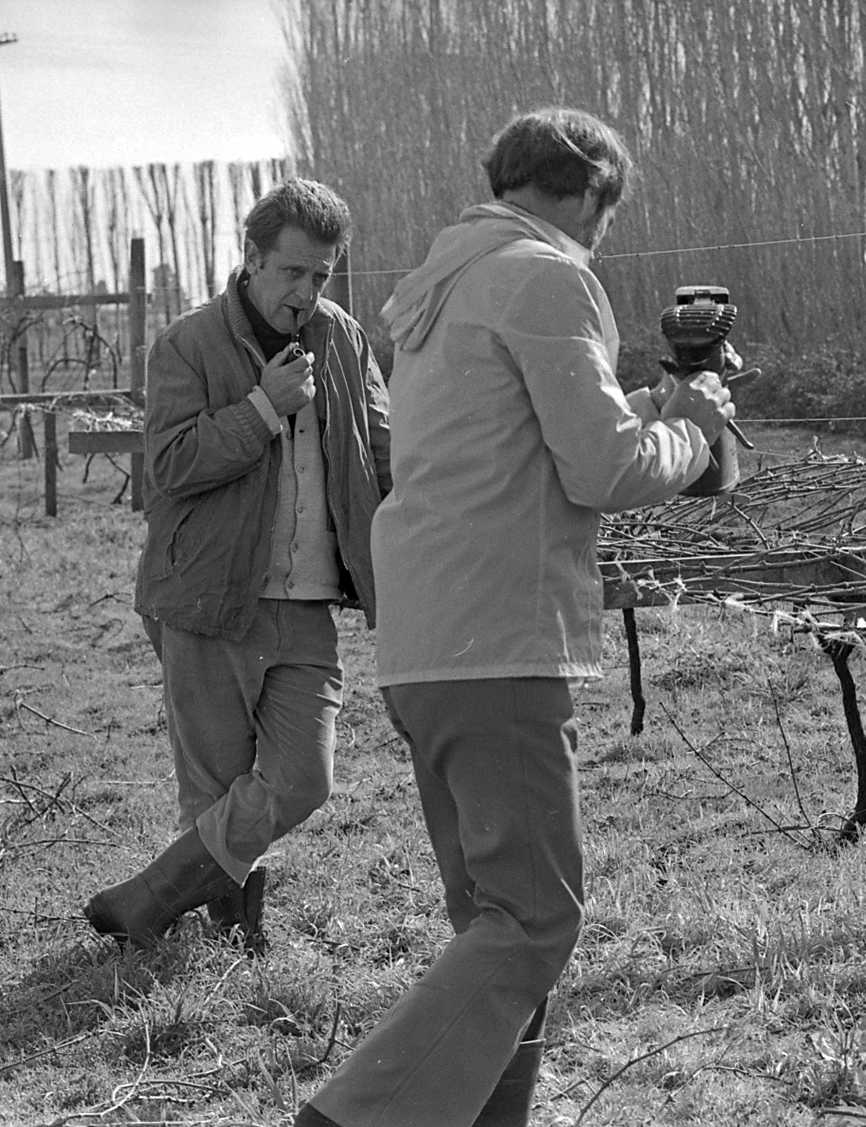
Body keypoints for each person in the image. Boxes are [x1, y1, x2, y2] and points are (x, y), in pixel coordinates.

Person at [295, 109, 733, 1126]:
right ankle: (347, 1119)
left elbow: (519, 436)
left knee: (494, 925)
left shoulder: (446, 279)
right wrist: (692, 434)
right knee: (533, 921)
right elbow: (604, 464)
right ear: (585, 196)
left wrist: (647, 410)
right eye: (603, 218)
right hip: (500, 635)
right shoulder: (547, 272)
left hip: (427, 637)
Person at [85, 178, 392, 953]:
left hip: (309, 600)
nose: (306, 290)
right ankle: (231, 936)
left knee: (303, 777)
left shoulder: (344, 340)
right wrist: (263, 407)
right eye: (292, 271)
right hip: (206, 599)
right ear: (251, 260)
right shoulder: (187, 344)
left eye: (321, 275)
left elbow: (384, 453)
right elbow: (173, 465)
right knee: (217, 787)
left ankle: (148, 896)